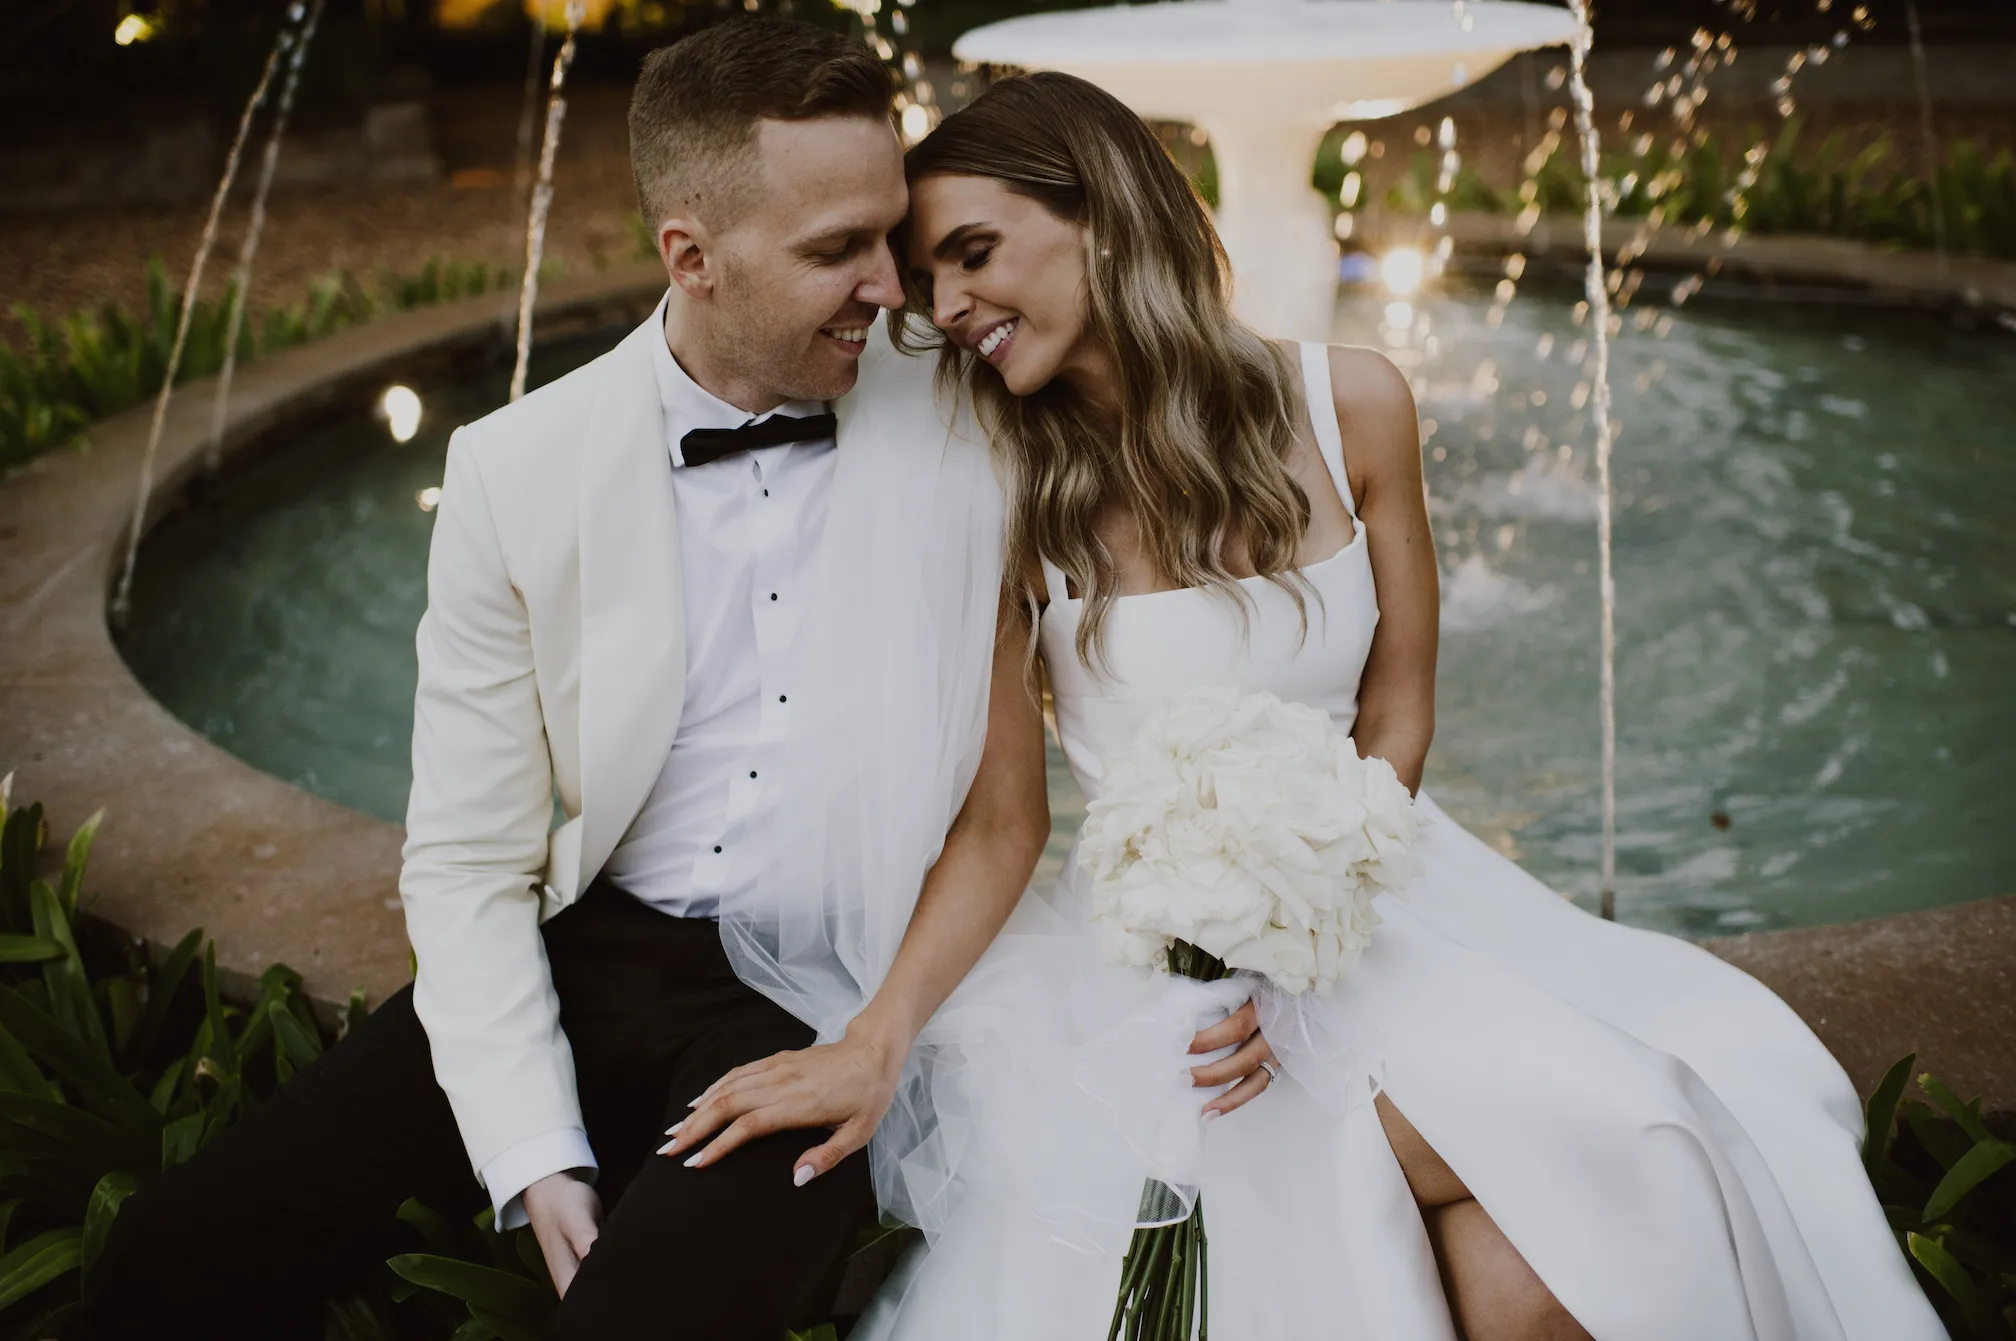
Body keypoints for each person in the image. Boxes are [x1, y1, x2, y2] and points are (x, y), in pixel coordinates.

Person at [839, 71, 1951, 1340]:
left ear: (1104, 211)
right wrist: (884, 1037)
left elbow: (1398, 717)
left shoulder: (1352, 401)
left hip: (1384, 900)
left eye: (973, 254)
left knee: (1580, 1225)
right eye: (929, 279)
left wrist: (1306, 916)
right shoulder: (1000, 492)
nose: (949, 305)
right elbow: (1001, 829)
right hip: (1165, 983)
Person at [74, 20, 1048, 1340]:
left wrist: (877, 1037)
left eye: (892, 233)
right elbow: (469, 862)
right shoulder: (515, 469)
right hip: (597, 942)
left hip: (821, 984)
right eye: (837, 251)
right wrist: (535, 1154)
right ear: (689, 256)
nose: (893, 285)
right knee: (167, 1257)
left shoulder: (970, 405)